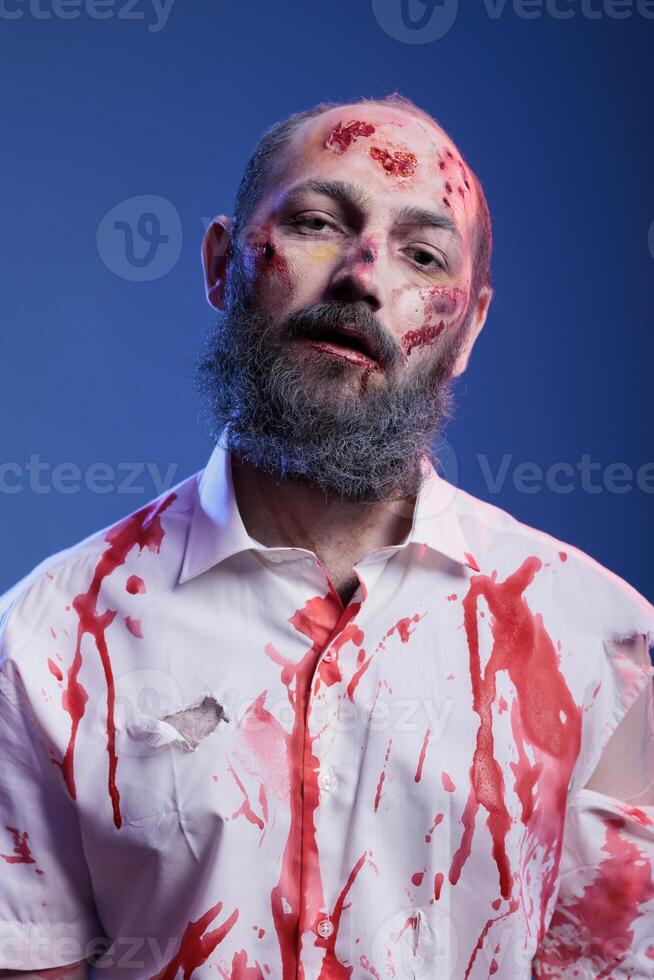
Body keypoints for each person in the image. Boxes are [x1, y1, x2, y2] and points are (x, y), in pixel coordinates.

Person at [1, 93, 652, 980]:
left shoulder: (609, 652)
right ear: (223, 263)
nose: (364, 273)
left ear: (468, 331)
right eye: (315, 223)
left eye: (423, 254)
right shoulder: (46, 645)